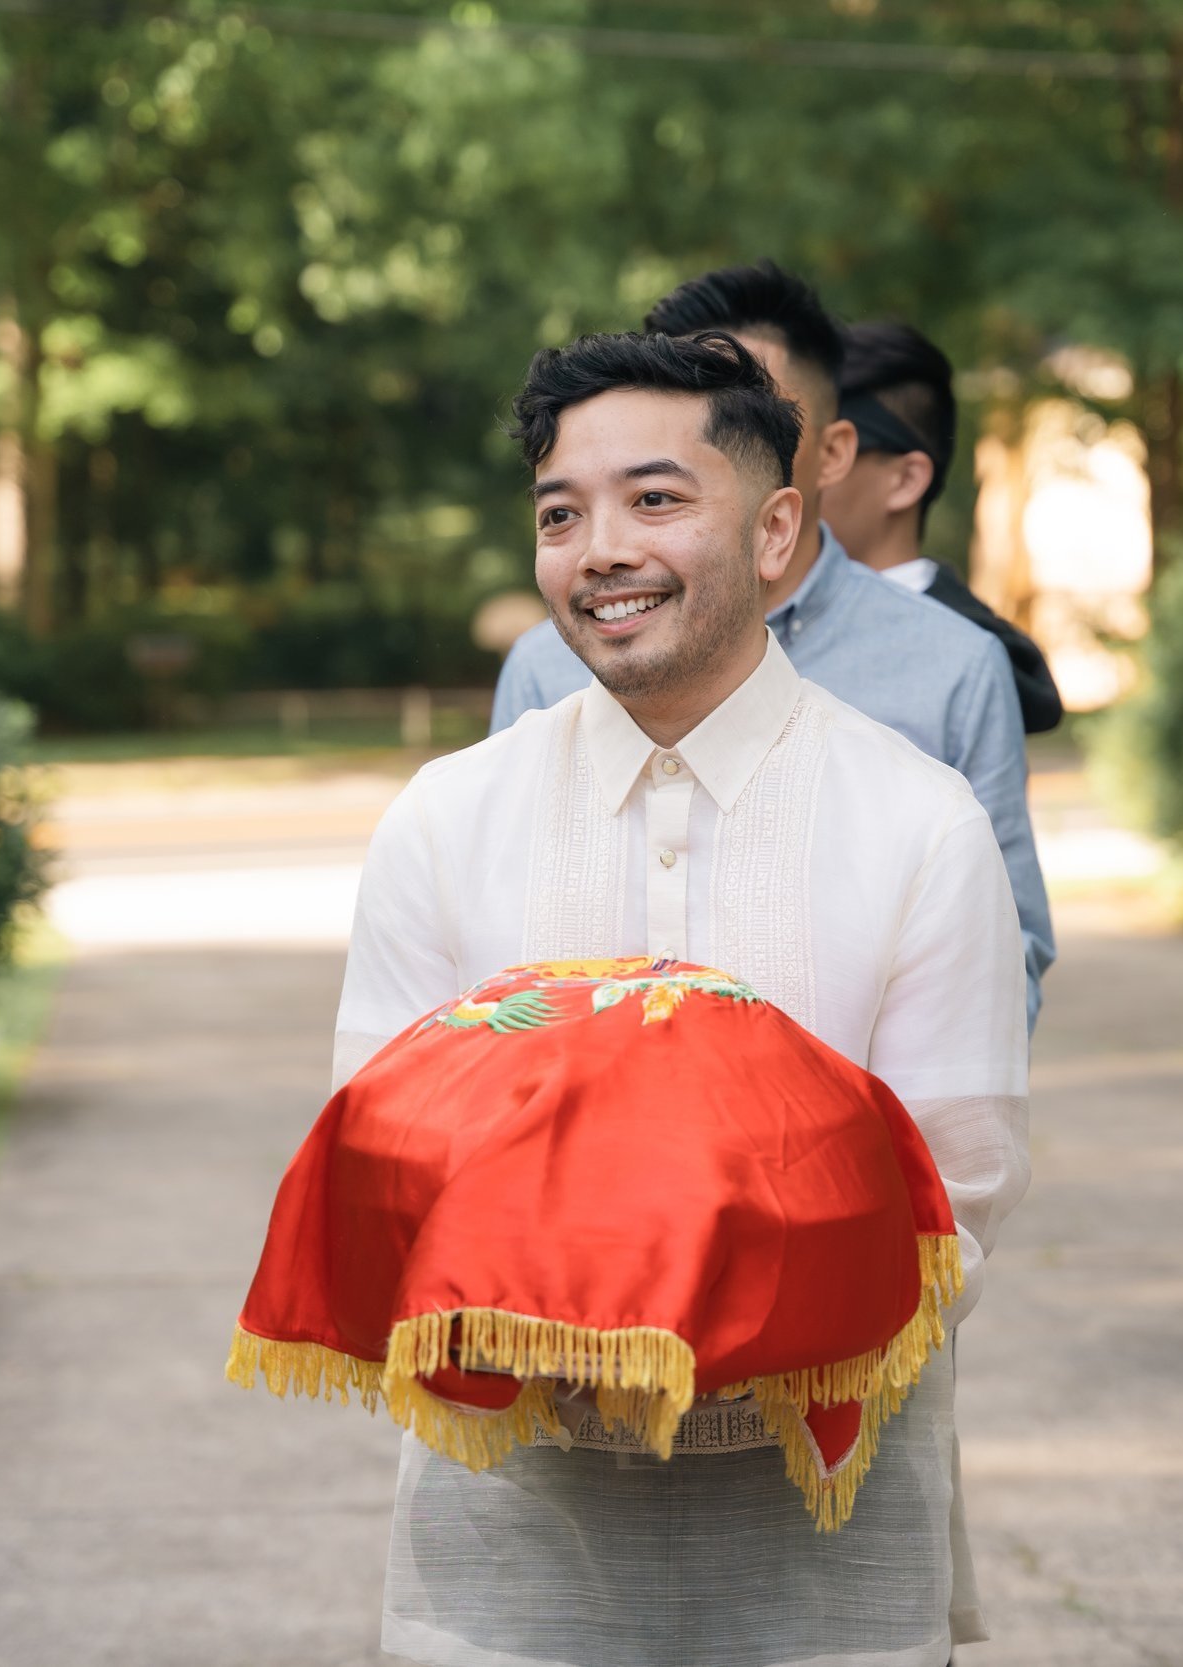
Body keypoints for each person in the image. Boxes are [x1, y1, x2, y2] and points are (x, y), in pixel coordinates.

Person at [334, 329, 1030, 1666]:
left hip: (821, 1547)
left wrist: (750, 1317)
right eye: (560, 511)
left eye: (655, 498)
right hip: (509, 1542)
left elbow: (961, 1188)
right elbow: (379, 1137)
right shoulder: (445, 817)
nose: (600, 546)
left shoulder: (918, 826)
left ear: (778, 531)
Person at [491, 261, 1055, 1033]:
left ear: (829, 452)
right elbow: (500, 944)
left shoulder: (954, 667)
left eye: (755, 409)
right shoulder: (545, 664)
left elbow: (1003, 956)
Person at [824, 320, 1064, 734]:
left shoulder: (971, 659)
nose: (788, 475)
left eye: (828, 453)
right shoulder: (771, 622)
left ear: (905, 480)